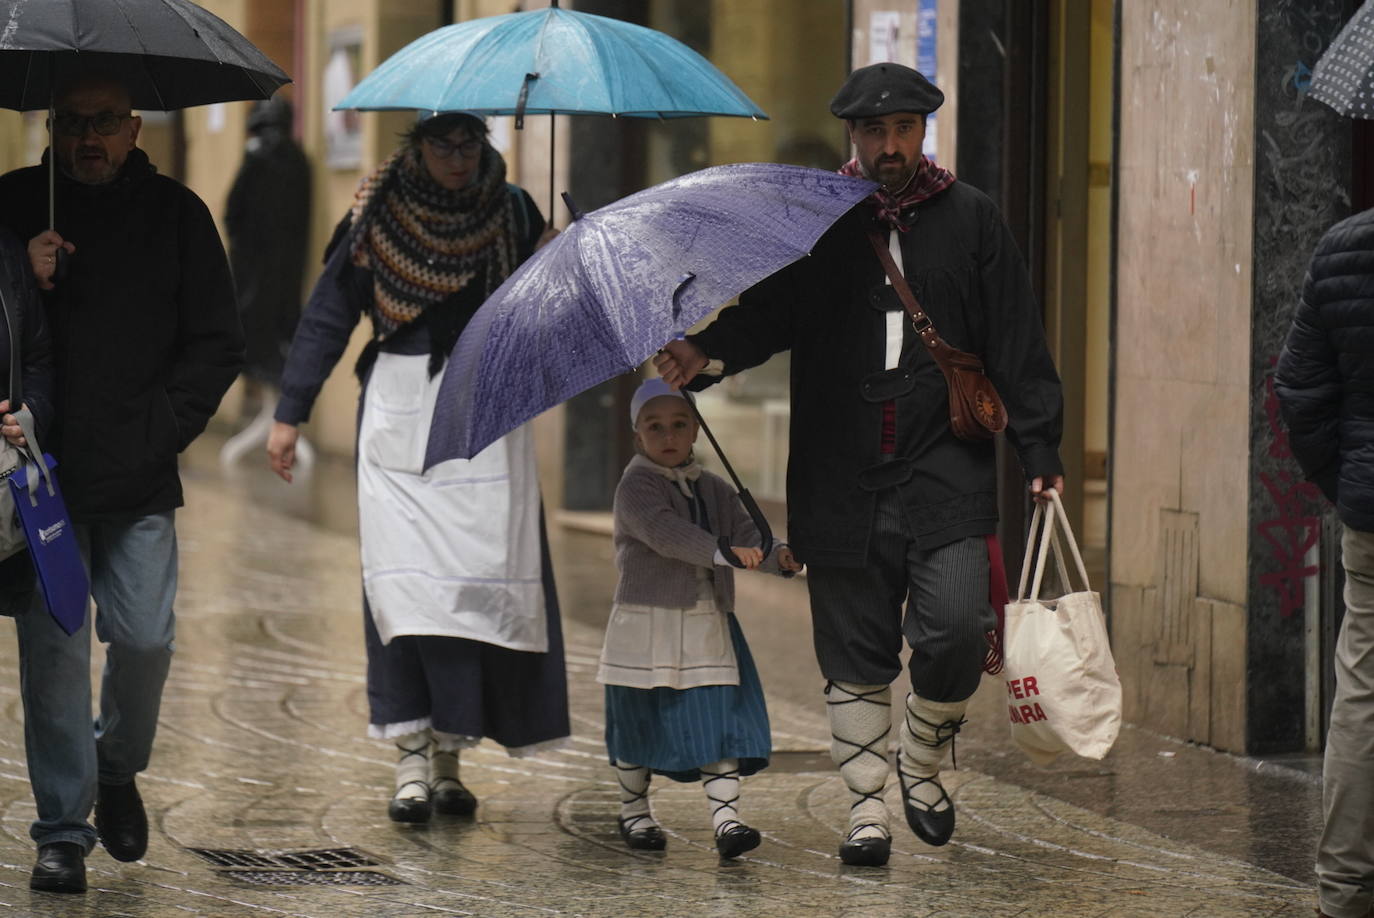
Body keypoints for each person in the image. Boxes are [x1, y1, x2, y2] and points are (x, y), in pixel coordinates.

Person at [655, 62, 1065, 867]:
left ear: (923, 130)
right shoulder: (816, 222)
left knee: (957, 624)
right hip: (838, 466)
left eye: (904, 128)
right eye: (875, 131)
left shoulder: (972, 218)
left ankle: (921, 755)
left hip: (944, 461)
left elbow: (1016, 336)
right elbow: (767, 315)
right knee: (853, 645)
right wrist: (704, 353)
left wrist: (1041, 447)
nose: (890, 145)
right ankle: (867, 809)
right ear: (853, 135)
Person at [267, 111, 570, 825]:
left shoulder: (514, 209)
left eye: (471, 144)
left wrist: (555, 261)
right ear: (417, 146)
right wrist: (290, 412)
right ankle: (408, 753)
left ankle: (449, 759)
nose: (459, 159)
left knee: (470, 588)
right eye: (444, 145)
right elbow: (328, 313)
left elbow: (546, 316)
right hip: (400, 410)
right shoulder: (376, 209)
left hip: (486, 412)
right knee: (403, 591)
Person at [0, 75, 245, 893]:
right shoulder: (10, 206)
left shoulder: (178, 215)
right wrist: (11, 272)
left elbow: (217, 343)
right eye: (71, 123)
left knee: (144, 640)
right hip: (39, 482)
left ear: (135, 127)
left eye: (103, 122)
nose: (87, 139)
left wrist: (161, 428)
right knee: (55, 660)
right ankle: (62, 830)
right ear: (51, 126)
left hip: (138, 474)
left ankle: (115, 766)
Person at [601, 378, 800, 858]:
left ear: (694, 430)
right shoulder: (635, 487)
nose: (667, 435)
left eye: (678, 424)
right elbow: (664, 532)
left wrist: (781, 557)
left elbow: (751, 536)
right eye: (654, 427)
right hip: (645, 619)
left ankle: (726, 820)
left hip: (707, 618)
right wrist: (722, 551)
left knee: (717, 711)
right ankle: (635, 810)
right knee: (637, 716)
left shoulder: (715, 488)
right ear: (638, 436)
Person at [1275, 211, 1374, 918]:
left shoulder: (1345, 246)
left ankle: (1343, 891)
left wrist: (1346, 483)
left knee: (1364, 694)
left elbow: (1299, 388)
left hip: (1372, 508)